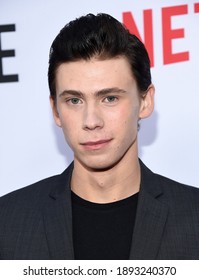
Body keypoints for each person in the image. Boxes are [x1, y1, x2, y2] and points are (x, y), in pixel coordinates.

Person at [0, 13, 199, 260]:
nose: (91, 121)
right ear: (56, 111)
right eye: (74, 100)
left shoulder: (193, 217)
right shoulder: (8, 222)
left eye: (110, 98)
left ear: (145, 101)